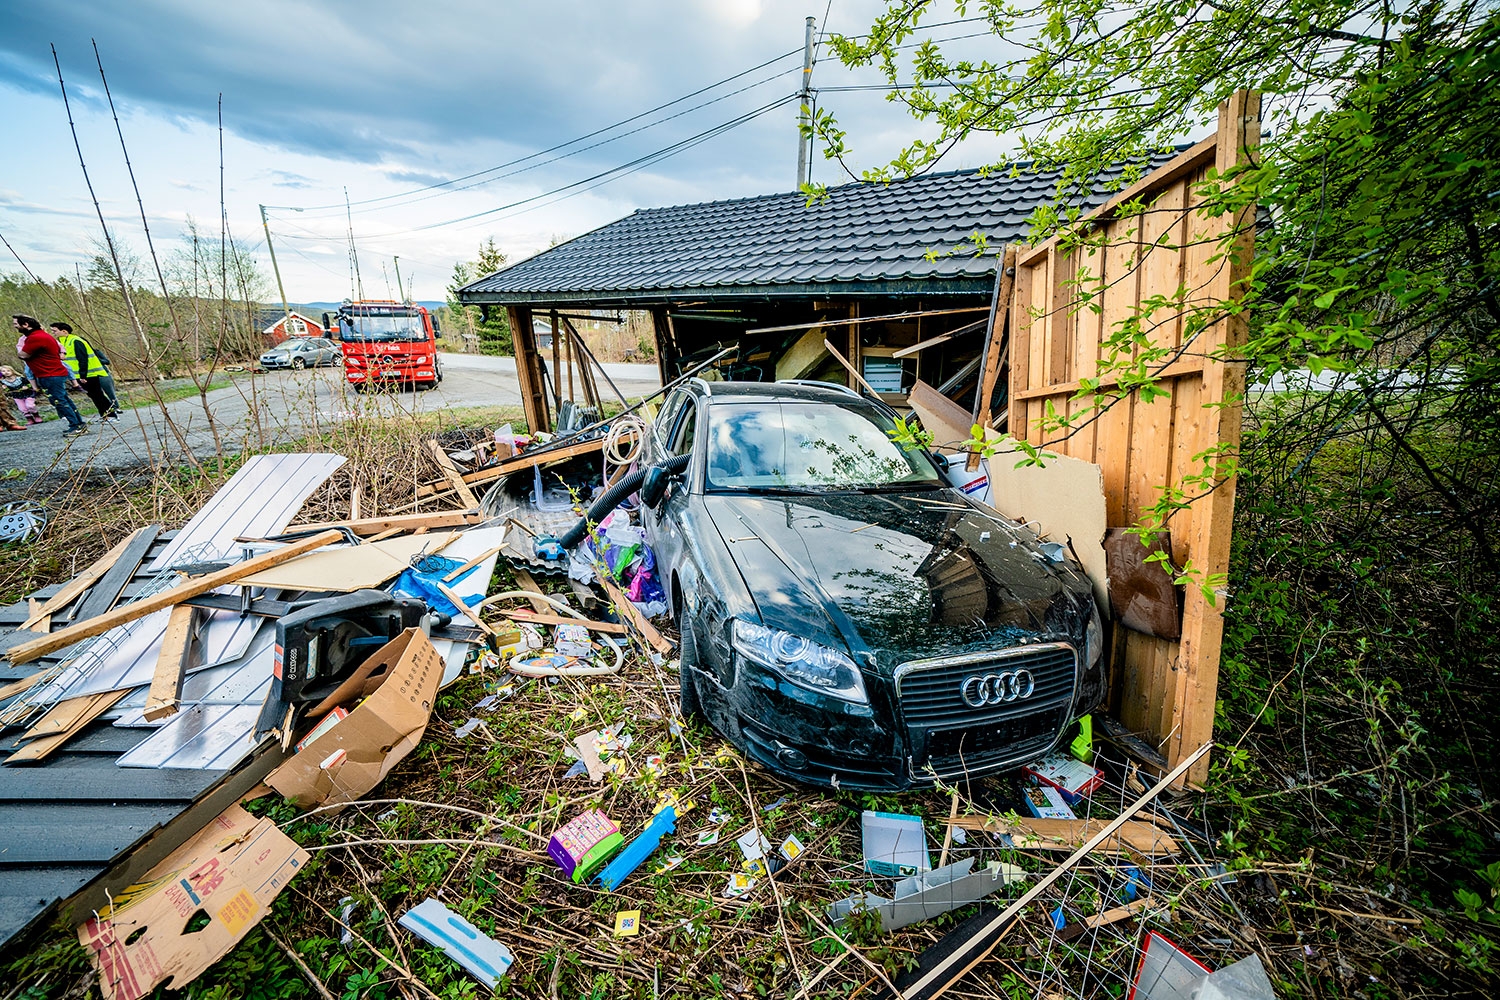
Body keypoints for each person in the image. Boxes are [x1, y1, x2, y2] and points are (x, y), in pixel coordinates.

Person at [12, 314, 86, 435]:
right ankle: (79, 423)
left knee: (59, 400)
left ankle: (76, 425)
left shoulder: (36, 337)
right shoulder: (41, 335)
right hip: (53, 373)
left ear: (26, 325)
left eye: (17, 324)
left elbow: (23, 355)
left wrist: (23, 353)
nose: (16, 327)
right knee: (64, 398)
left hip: (50, 374)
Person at [50, 322, 119, 420]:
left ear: (64, 331)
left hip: (89, 374)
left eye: (55, 331)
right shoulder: (63, 341)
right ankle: (105, 415)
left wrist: (83, 375)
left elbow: (83, 359)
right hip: (78, 374)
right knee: (94, 395)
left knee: (97, 395)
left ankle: (111, 415)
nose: (53, 333)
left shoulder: (76, 340)